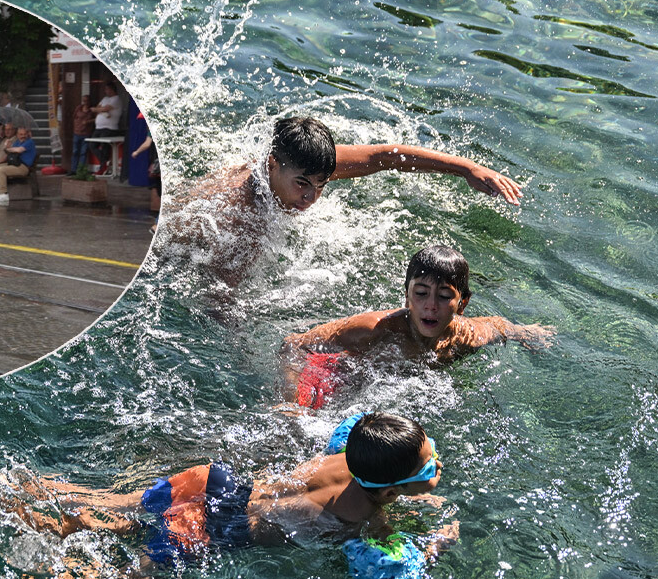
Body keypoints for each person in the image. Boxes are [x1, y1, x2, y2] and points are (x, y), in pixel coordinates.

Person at [0, 411, 458, 579]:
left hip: (209, 481)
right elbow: (386, 576)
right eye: (427, 464)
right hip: (207, 531)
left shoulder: (347, 452)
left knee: (104, 506)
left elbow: (355, 431)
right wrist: (434, 545)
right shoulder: (367, 517)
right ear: (389, 489)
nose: (434, 463)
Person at [160, 116, 523, 293]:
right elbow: (220, 298)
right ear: (272, 164)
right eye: (302, 185)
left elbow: (386, 156)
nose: (311, 197)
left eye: (321, 185)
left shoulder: (305, 165)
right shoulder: (244, 222)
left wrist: (468, 169)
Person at [281, 245, 555, 408]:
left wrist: (528, 333)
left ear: (463, 303)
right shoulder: (375, 329)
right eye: (421, 293)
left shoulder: (467, 336)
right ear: (406, 296)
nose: (431, 306)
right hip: (335, 377)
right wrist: (293, 402)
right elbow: (294, 343)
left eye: (445, 296)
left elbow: (499, 327)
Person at [0, 126, 36, 204]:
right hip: (14, 163)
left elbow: (19, 150)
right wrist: (8, 147)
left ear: (27, 134)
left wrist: (9, 149)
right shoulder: (17, 142)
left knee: (1, 170)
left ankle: (3, 193)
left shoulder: (29, 142)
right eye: (21, 134)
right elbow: (9, 151)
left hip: (23, 167)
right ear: (17, 135)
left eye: (24, 134)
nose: (23, 136)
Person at [88, 82, 122, 174]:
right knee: (92, 145)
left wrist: (98, 110)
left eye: (107, 89)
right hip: (99, 127)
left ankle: (104, 166)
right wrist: (100, 110)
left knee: (104, 146)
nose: (105, 91)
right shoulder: (105, 98)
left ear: (112, 89)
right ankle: (105, 161)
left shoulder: (116, 99)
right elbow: (99, 108)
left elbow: (105, 109)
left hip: (109, 128)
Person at [69, 100, 95, 174]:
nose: (85, 102)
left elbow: (96, 118)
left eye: (87, 100)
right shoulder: (78, 108)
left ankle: (80, 169)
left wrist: (88, 122)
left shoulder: (91, 111)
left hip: (86, 133)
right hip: (77, 132)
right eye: (84, 100)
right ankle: (73, 169)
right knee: (75, 152)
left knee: (83, 152)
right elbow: (74, 117)